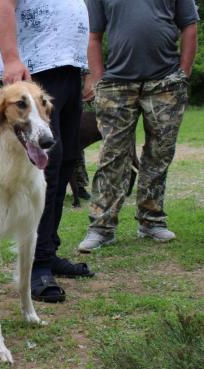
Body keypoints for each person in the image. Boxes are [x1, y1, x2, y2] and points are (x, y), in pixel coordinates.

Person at [0, 0, 95, 303]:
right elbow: (2, 4)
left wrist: (85, 69)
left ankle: (48, 251)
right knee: (45, 168)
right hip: (36, 70)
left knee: (66, 161)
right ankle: (34, 265)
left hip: (68, 69)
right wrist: (11, 59)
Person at [78, 0, 199, 252]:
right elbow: (94, 36)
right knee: (113, 156)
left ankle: (151, 221)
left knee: (160, 153)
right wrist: (99, 81)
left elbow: (189, 26)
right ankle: (101, 228)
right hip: (117, 85)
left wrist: (183, 74)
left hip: (166, 83)